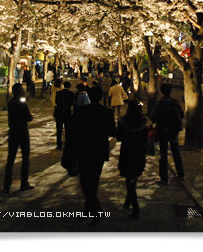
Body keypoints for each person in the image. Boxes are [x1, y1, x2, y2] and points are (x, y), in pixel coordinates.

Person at [72, 87, 116, 224]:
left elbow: (73, 129)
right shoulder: (107, 112)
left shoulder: (80, 111)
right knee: (93, 180)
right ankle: (92, 209)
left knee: (85, 179)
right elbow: (112, 131)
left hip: (84, 148)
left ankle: (93, 209)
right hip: (99, 149)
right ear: (101, 97)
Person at [117, 100, 148, 219]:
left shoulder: (123, 122)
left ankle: (135, 206)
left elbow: (119, 137)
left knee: (129, 177)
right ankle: (128, 200)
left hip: (127, 151)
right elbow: (145, 138)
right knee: (133, 176)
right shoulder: (143, 122)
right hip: (139, 152)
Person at [3, 84, 34, 193]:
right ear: (17, 91)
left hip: (12, 132)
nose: (24, 91)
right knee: (25, 158)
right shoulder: (22, 104)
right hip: (22, 131)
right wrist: (30, 117)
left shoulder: (10, 103)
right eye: (22, 89)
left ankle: (6, 185)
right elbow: (28, 117)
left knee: (10, 159)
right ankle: (24, 183)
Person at [151, 83, 185, 185]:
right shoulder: (174, 103)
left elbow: (154, 117)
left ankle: (164, 178)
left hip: (163, 131)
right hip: (174, 130)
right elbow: (181, 114)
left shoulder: (160, 104)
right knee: (176, 152)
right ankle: (181, 174)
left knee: (163, 154)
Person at [52, 79, 68, 150]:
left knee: (59, 129)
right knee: (66, 128)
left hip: (58, 110)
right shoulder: (62, 91)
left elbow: (54, 101)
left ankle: (59, 144)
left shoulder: (54, 90)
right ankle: (66, 143)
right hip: (65, 112)